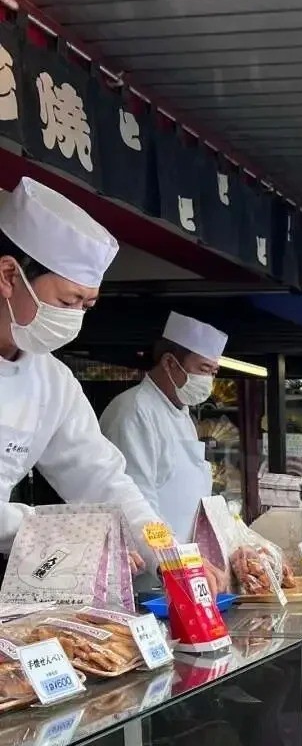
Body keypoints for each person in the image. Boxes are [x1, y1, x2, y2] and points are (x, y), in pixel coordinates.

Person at [0, 176, 161, 567]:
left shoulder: (53, 382)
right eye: (67, 301)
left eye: (86, 306)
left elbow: (102, 478)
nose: (74, 319)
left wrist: (167, 552)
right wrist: (70, 536)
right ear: (8, 276)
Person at [100, 312, 225, 545]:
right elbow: (137, 497)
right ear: (169, 363)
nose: (209, 380)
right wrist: (166, 554)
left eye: (213, 372)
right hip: (150, 558)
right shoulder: (134, 410)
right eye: (203, 369)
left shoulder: (181, 413)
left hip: (184, 555)